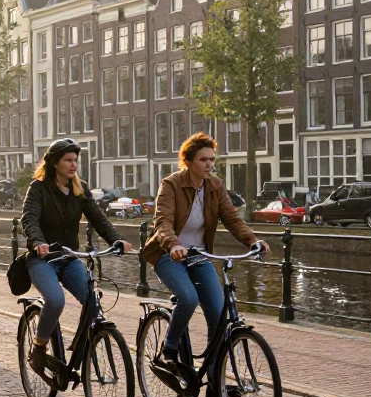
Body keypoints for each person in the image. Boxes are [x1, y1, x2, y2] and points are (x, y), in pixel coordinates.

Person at [142, 132, 268, 378]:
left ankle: (214, 381)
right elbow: (163, 222)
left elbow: (231, 218)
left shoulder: (215, 186)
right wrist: (174, 244)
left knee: (218, 314)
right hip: (169, 254)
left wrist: (252, 241)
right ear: (188, 161)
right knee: (188, 298)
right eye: (203, 159)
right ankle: (170, 348)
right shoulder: (171, 184)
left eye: (212, 159)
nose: (209, 164)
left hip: (199, 255)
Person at [21, 139, 131, 375]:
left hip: (69, 257)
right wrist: (38, 242)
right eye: (68, 160)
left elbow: (98, 218)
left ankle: (82, 344)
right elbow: (29, 219)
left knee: (93, 301)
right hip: (43, 259)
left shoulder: (79, 189)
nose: (73, 165)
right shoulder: (38, 188)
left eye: (75, 161)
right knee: (56, 300)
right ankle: (39, 348)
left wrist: (116, 239)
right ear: (54, 163)